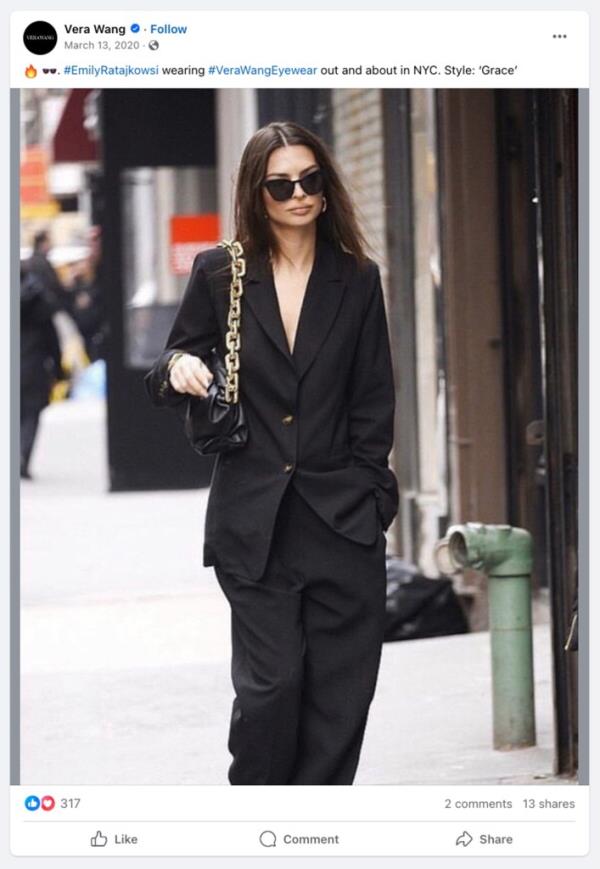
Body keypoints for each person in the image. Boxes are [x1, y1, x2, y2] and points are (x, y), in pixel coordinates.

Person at [145, 121, 399, 785]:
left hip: (342, 520)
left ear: (326, 185)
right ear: (258, 194)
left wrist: (374, 498)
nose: (298, 195)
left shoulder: (357, 279)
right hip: (253, 523)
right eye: (281, 184)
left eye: (310, 180)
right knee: (272, 688)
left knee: (340, 698)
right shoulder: (221, 272)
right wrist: (177, 369)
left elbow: (374, 398)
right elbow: (169, 362)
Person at [20, 262, 65, 479]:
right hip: (33, 364)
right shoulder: (40, 301)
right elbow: (52, 338)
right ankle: (22, 455)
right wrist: (58, 370)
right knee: (30, 415)